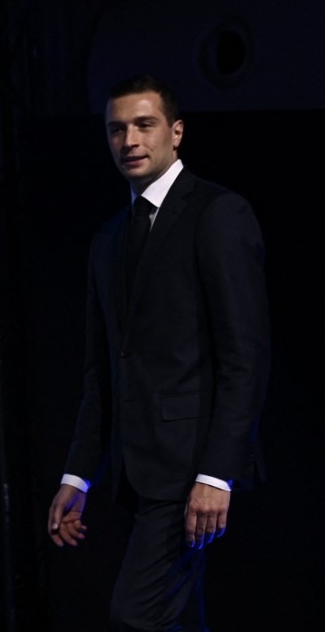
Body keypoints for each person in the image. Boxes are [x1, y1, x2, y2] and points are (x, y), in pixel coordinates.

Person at [47, 74, 270, 630]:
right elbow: (105, 371)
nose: (130, 140)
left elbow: (245, 354)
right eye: (117, 129)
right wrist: (77, 477)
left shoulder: (216, 213)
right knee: (174, 619)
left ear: (175, 132)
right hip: (138, 470)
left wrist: (217, 473)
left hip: (191, 466)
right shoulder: (109, 238)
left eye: (144, 125)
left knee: (136, 614)